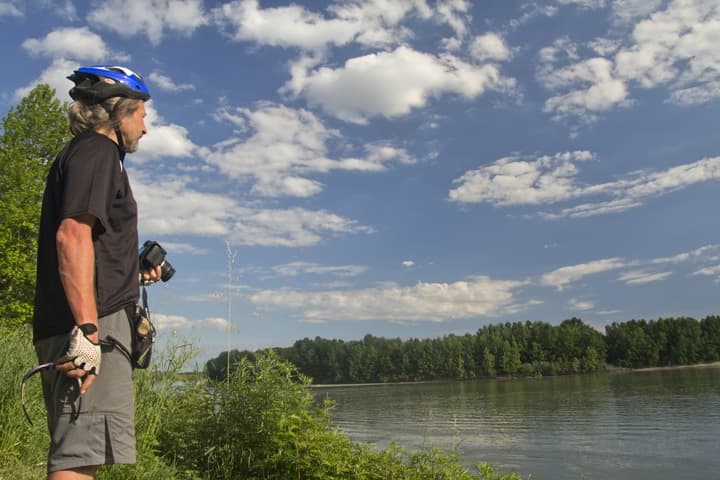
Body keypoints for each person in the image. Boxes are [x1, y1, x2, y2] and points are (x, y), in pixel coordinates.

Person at [32, 65, 161, 480]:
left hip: (91, 316)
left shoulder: (94, 156)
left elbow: (90, 244)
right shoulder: (98, 151)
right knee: (77, 456)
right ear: (118, 111)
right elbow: (71, 236)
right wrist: (88, 330)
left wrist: (133, 271)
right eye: (141, 114)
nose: (145, 128)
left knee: (81, 451)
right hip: (91, 325)